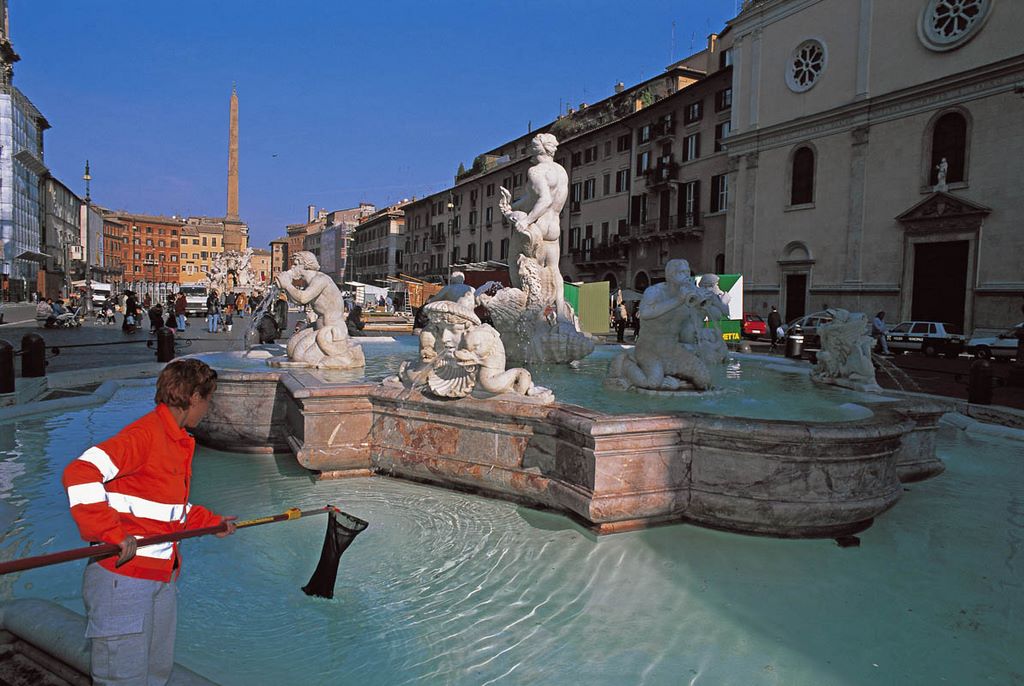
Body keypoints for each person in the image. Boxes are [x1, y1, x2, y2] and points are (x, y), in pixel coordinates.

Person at [62, 359, 236, 686]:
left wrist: (211, 523)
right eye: (208, 400)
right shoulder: (144, 435)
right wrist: (109, 532)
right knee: (122, 679)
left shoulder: (175, 441)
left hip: (159, 578)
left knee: (156, 674)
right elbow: (79, 472)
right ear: (194, 397)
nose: (208, 409)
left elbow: (166, 509)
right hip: (122, 580)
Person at [498, 133, 569, 313]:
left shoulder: (536, 171)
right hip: (554, 228)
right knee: (554, 270)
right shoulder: (561, 171)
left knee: (517, 262)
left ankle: (526, 309)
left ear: (537, 149)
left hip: (537, 226)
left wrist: (526, 220)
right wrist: (511, 206)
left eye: (531, 147)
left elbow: (544, 200)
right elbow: (532, 198)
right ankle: (561, 312)